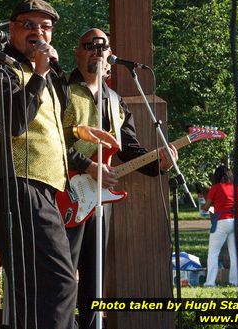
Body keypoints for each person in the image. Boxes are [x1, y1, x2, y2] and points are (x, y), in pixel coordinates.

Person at [0, 0, 119, 329]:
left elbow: (49, 137)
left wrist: (81, 146)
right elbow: (15, 122)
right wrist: (39, 73)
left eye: (46, 27)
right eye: (29, 25)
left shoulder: (49, 77)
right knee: (61, 282)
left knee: (34, 289)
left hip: (46, 189)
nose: (38, 33)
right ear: (11, 29)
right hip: (18, 185)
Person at [63, 28, 177, 329]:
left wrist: (160, 163)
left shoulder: (115, 100)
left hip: (99, 197)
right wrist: (87, 166)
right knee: (62, 274)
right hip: (64, 193)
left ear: (110, 55)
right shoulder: (61, 89)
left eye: (102, 47)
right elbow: (52, 141)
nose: (96, 52)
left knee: (94, 276)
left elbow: (129, 149)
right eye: (89, 45)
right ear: (77, 52)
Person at [201, 165, 238, 287]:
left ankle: (210, 283)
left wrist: (202, 207)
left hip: (221, 221)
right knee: (235, 253)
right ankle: (234, 282)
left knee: (213, 253)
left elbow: (207, 207)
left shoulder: (215, 188)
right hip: (237, 221)